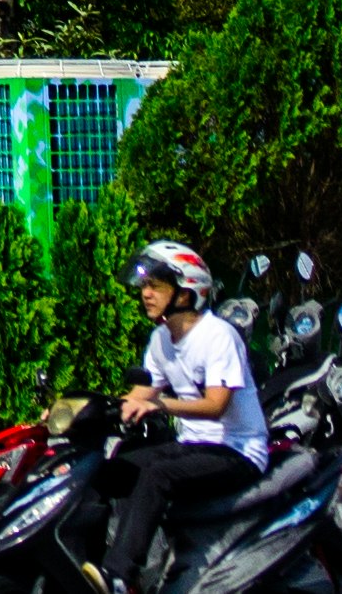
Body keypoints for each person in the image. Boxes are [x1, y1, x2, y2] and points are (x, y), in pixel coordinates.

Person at [108, 240, 265, 592]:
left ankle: (119, 576)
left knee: (158, 475)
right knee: (115, 470)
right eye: (144, 286)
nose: (145, 293)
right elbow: (141, 394)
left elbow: (216, 405)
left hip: (237, 451)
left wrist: (162, 405)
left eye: (156, 286)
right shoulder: (161, 339)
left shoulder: (218, 336)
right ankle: (97, 561)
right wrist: (78, 410)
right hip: (194, 446)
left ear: (184, 292)